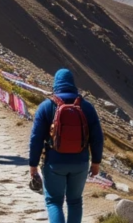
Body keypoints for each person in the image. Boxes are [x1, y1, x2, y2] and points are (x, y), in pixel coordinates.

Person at [28, 69, 104, 223]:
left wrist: (33, 164)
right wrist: (96, 162)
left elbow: (35, 138)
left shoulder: (46, 106)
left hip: (54, 163)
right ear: (72, 84)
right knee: (75, 201)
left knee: (54, 201)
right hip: (80, 162)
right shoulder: (87, 107)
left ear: (56, 84)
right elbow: (97, 137)